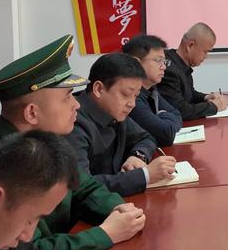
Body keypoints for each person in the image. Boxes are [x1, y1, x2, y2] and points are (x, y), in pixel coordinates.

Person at [0, 35, 146, 250]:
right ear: (32, 113)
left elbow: (85, 187)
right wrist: (105, 234)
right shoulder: (0, 166)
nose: (77, 105)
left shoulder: (48, 143)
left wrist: (119, 209)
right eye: (67, 97)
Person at [69, 53, 176, 196]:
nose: (132, 104)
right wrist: (144, 175)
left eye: (136, 96)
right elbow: (81, 187)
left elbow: (146, 138)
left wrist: (138, 156)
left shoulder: (113, 111)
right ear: (99, 89)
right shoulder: (72, 122)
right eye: (125, 94)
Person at [157, 22, 228, 120]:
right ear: (190, 45)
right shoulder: (169, 70)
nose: (206, 57)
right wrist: (213, 107)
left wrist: (206, 97)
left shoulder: (181, 63)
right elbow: (180, 110)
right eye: (205, 51)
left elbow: (188, 93)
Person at [123, 34, 183, 146]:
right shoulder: (130, 96)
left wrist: (162, 118)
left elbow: (177, 114)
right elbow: (166, 135)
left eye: (164, 61)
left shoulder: (151, 89)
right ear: (137, 63)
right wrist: (164, 116)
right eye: (158, 61)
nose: (164, 67)